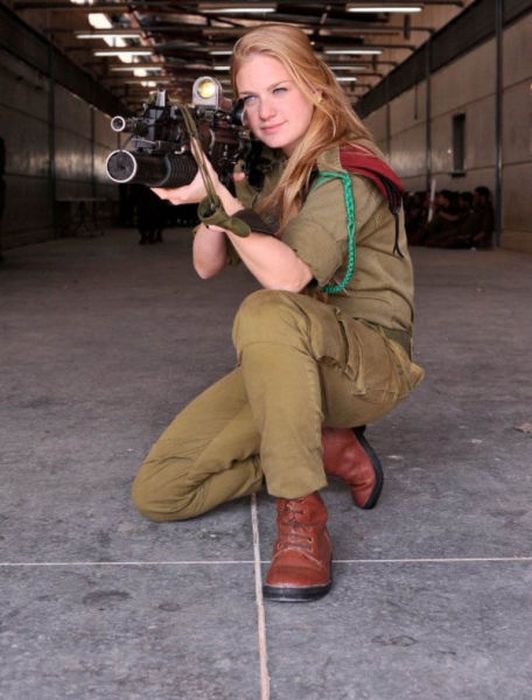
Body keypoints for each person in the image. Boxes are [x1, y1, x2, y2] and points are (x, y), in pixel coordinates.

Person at [131, 24, 424, 603]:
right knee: (161, 492)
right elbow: (206, 265)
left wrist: (221, 194)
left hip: (368, 364)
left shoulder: (351, 169)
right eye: (250, 98)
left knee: (266, 310)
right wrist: (210, 188)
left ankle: (302, 519)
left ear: (316, 87)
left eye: (280, 90)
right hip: (292, 361)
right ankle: (327, 448)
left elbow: (288, 277)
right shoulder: (268, 169)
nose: (263, 111)